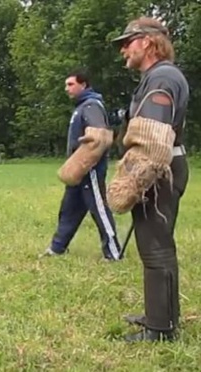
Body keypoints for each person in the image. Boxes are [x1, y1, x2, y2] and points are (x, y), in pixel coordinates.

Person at [107, 16, 189, 342]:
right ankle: (160, 316)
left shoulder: (163, 77)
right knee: (154, 247)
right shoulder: (158, 76)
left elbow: (154, 137)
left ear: (148, 41)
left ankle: (161, 329)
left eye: (128, 42)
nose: (124, 49)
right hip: (163, 166)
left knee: (156, 249)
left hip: (159, 168)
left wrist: (134, 180)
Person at [40, 69, 122, 261]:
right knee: (68, 209)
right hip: (78, 171)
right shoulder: (81, 106)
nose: (66, 89)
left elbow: (100, 136)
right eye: (66, 85)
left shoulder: (91, 105)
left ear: (83, 85)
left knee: (99, 210)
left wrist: (82, 162)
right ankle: (57, 248)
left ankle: (113, 253)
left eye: (70, 84)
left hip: (89, 169)